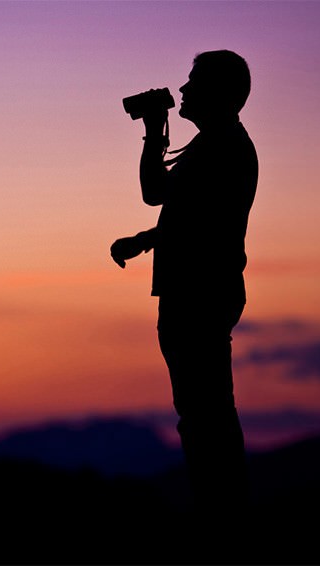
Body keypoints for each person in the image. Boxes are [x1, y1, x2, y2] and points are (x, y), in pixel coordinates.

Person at [110, 50, 258, 517]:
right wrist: (146, 239)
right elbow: (197, 215)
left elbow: (156, 191)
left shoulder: (221, 146)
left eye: (193, 81)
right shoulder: (218, 144)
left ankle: (220, 511)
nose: (184, 90)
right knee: (205, 411)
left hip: (198, 295)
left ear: (217, 92)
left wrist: (154, 130)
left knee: (203, 415)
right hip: (202, 290)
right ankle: (221, 504)